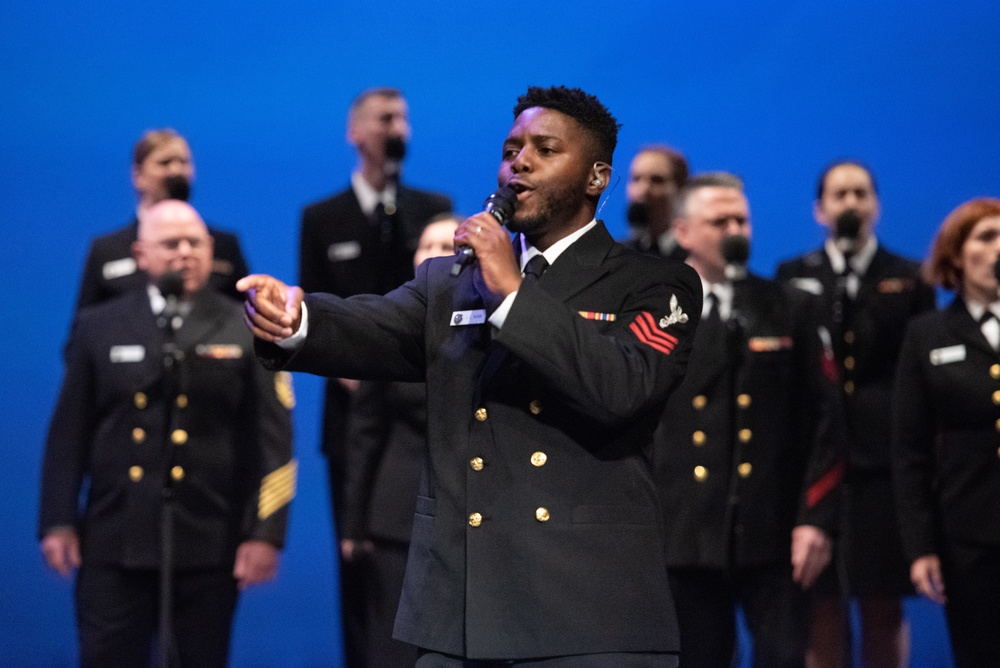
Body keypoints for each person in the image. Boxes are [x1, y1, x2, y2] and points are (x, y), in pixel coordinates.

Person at [240, 85, 701, 666]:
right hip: (463, 614)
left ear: (596, 178)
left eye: (545, 149)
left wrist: (513, 293)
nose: (520, 162)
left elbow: (620, 386)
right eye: (511, 149)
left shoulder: (656, 285)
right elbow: (372, 327)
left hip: (588, 614)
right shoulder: (450, 281)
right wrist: (295, 318)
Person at [39, 200, 295, 667]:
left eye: (194, 242)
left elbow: (274, 438)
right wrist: (57, 519)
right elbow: (68, 432)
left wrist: (266, 534)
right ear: (141, 253)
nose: (184, 253)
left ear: (211, 249)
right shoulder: (99, 326)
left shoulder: (246, 325)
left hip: (208, 540)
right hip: (115, 537)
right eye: (170, 243)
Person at [657, 172, 844, 667]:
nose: (735, 229)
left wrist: (815, 520)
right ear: (683, 232)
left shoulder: (790, 306)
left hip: (775, 530)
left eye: (742, 219)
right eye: (719, 221)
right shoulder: (656, 312)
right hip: (684, 532)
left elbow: (827, 420)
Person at [297, 86, 452, 668]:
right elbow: (314, 309)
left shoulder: (431, 209)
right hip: (353, 417)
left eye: (405, 117)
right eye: (387, 118)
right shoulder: (321, 218)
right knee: (363, 572)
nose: (399, 127)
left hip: (421, 407)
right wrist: (357, 371)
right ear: (355, 131)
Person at [776, 160, 935, 667]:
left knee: (882, 605)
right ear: (820, 209)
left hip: (880, 464)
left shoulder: (911, 278)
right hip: (816, 466)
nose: (851, 203)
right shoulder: (792, 276)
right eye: (840, 194)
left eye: (861, 193)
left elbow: (921, 379)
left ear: (876, 205)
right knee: (819, 606)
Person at [340, 214, 460, 668]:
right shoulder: (392, 325)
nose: (434, 254)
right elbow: (364, 433)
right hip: (398, 513)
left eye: (447, 244)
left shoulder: (499, 321)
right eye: (426, 245)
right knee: (393, 645)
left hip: (473, 512)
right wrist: (354, 523)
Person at [893, 197, 1000, 667]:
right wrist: (921, 548)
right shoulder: (928, 335)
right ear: (957, 254)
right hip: (969, 531)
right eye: (987, 237)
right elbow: (910, 450)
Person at [75, 129, 250, 311]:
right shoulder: (108, 250)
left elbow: (244, 320)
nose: (176, 170)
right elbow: (86, 329)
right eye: (164, 163)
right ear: (138, 175)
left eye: (183, 162)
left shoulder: (224, 245)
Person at [621, 145, 689, 260]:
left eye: (657, 180)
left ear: (681, 189)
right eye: (636, 179)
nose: (643, 190)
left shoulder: (696, 257)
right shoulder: (618, 256)